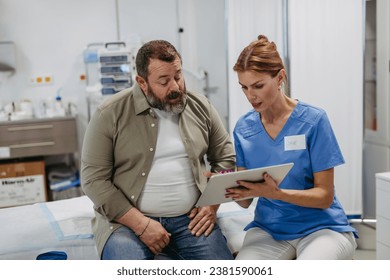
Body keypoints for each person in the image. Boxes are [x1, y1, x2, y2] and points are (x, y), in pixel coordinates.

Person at [80, 40, 235, 260]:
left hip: (191, 222)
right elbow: (93, 180)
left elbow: (226, 160)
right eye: (164, 81)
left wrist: (211, 205)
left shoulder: (201, 107)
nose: (175, 87)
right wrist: (141, 224)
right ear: (142, 82)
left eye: (178, 76)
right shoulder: (110, 114)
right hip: (127, 224)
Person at [225, 35, 357, 260]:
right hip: (269, 229)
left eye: (258, 86)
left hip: (321, 228)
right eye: (244, 87)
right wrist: (225, 184)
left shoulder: (314, 121)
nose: (250, 96)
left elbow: (324, 196)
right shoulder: (244, 128)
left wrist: (277, 194)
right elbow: (245, 201)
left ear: (280, 78)